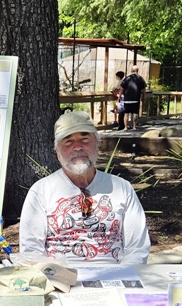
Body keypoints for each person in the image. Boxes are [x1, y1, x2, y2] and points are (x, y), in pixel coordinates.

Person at [20, 111, 150, 265]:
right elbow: (31, 252)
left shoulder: (122, 188)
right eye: (68, 142)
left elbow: (137, 249)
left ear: (97, 144)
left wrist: (121, 278)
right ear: (57, 152)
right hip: (60, 282)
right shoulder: (41, 191)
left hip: (114, 279)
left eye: (84, 139)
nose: (77, 147)